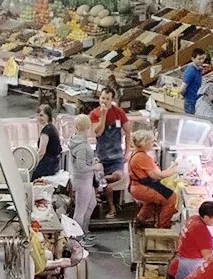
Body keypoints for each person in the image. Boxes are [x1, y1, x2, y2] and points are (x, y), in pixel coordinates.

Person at [127, 128, 179, 227]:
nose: (153, 144)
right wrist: (175, 170)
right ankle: (162, 226)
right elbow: (158, 175)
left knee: (153, 200)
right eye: (151, 142)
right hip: (142, 189)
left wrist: (171, 167)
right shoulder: (142, 157)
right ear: (144, 143)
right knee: (171, 198)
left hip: (136, 187)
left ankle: (141, 218)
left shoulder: (135, 153)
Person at [90, 88, 129, 216]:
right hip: (101, 156)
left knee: (118, 176)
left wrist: (127, 151)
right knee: (107, 184)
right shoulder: (94, 114)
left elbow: (128, 132)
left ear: (112, 100)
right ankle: (110, 206)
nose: (104, 101)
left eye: (107, 99)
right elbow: (98, 132)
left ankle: (99, 182)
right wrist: (103, 115)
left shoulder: (119, 113)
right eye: (102, 98)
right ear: (99, 98)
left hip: (116, 157)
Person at [68, 114, 101, 244]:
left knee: (91, 204)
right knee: (80, 210)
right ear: (88, 126)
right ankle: (77, 239)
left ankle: (84, 231)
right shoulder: (81, 145)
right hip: (82, 180)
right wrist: (94, 166)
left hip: (84, 179)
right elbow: (81, 166)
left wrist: (92, 161)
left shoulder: (78, 140)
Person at [171, 201, 213, 279]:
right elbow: (208, 258)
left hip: (180, 257)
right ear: (206, 218)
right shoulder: (202, 231)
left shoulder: (193, 218)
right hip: (187, 264)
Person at [31, 106, 63, 181]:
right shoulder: (52, 128)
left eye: (42, 115)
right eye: (38, 115)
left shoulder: (46, 131)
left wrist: (33, 164)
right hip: (54, 164)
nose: (39, 117)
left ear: (48, 116)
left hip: (47, 165)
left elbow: (41, 152)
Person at [181, 50, 206, 117]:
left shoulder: (198, 69)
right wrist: (186, 96)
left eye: (203, 58)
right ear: (193, 59)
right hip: (190, 103)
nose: (202, 61)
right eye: (199, 59)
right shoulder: (191, 71)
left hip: (196, 101)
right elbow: (182, 89)